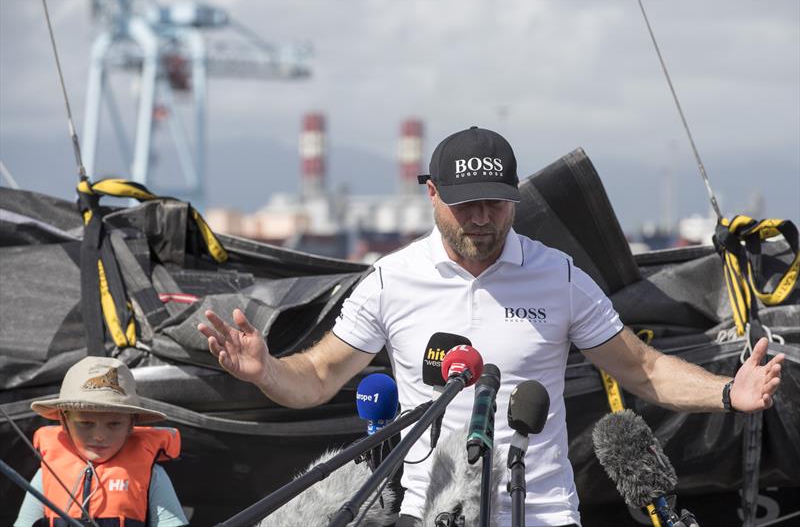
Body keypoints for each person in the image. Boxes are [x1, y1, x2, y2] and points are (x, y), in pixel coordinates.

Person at [198, 126, 784, 526]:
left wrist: (728, 393)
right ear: (431, 194)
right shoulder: (390, 280)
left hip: (545, 510)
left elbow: (643, 368)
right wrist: (266, 370)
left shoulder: (560, 277)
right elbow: (322, 375)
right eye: (465, 203)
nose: (481, 218)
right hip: (432, 511)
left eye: (495, 203)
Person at [14, 357, 189, 527]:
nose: (99, 435)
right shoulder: (46, 474)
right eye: (85, 423)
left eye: (114, 424)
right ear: (63, 420)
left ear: (131, 423)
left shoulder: (153, 476)